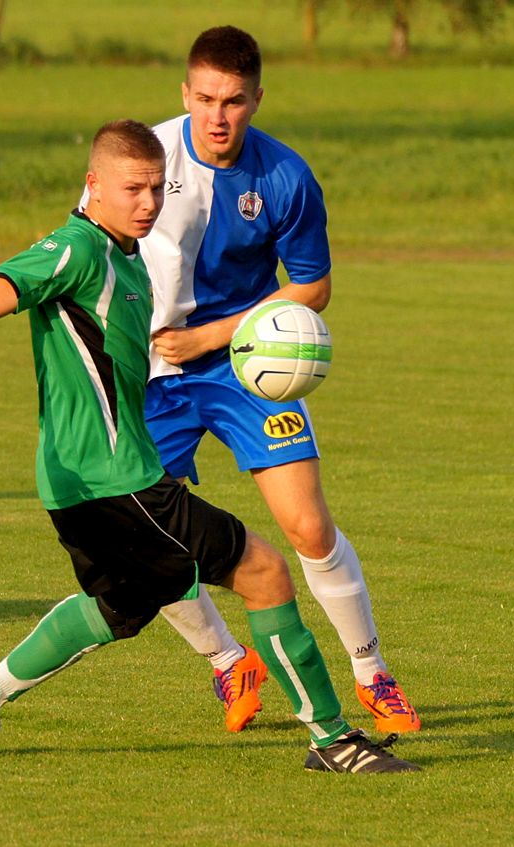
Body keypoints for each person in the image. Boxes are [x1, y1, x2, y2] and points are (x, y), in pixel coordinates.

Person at [0, 120, 418, 774]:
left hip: (89, 485)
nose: (148, 202)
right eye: (132, 189)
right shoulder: (75, 251)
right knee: (265, 573)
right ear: (93, 183)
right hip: (114, 483)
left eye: (157, 189)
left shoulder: (126, 257)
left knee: (120, 607)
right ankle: (332, 737)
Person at [135, 26, 421, 735]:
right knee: (142, 539)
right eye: (204, 98)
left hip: (244, 369)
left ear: (257, 98)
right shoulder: (143, 156)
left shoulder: (286, 177)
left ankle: (371, 670)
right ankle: (229, 660)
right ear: (185, 93)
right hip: (148, 374)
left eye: (233, 100)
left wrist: (212, 334)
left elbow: (314, 286)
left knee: (307, 524)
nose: (218, 116)